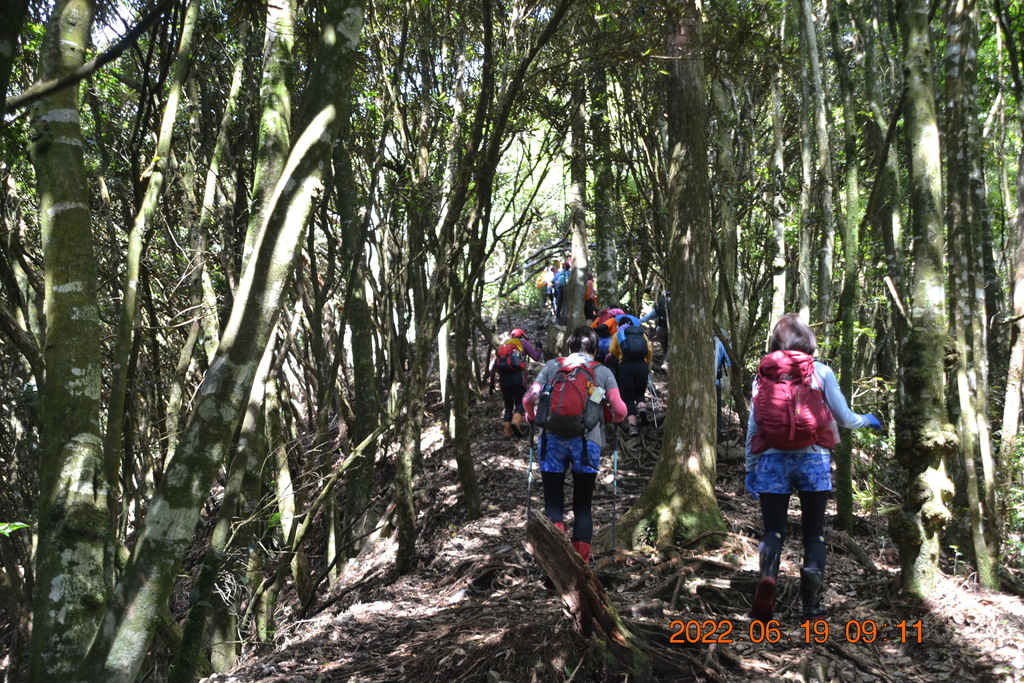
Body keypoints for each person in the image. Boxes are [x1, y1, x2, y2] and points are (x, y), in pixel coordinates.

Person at [745, 314, 882, 622]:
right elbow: (844, 418)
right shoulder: (820, 372)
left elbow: (754, 426)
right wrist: (868, 421)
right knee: (814, 534)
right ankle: (812, 606)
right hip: (814, 458)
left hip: (770, 459)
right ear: (807, 340)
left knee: (773, 530)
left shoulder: (762, 374)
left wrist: (751, 467)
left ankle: (768, 581)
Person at [524, 326, 627, 562]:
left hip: (551, 441)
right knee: (583, 506)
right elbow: (620, 410)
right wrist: (613, 419)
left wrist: (531, 416)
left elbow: (528, 398)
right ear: (593, 350)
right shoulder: (601, 371)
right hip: (587, 443)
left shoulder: (553, 366)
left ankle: (555, 560)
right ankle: (580, 564)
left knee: (553, 503)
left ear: (569, 347)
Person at [489, 328, 542, 439]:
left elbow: (494, 367)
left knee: (508, 405)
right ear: (522, 336)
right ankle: (516, 422)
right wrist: (538, 348)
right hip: (518, 379)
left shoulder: (504, 346)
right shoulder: (524, 344)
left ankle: (507, 432)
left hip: (504, 381)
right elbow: (536, 357)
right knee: (520, 403)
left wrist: (492, 383)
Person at [609, 315, 652, 437]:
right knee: (640, 394)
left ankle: (633, 427)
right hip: (641, 366)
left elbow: (611, 349)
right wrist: (647, 363)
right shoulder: (641, 334)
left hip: (625, 367)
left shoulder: (618, 335)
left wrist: (621, 355)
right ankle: (642, 409)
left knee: (628, 398)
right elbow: (649, 350)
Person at [639, 291, 670, 363]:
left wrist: (633, 322)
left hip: (661, 330)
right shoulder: (677, 306)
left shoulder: (660, 307)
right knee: (670, 348)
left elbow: (647, 317)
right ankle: (667, 363)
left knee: (664, 349)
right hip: (672, 330)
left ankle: (664, 362)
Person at [714, 333, 731, 434]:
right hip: (715, 382)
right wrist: (732, 383)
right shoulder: (724, 345)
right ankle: (717, 432)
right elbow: (730, 364)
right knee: (716, 408)